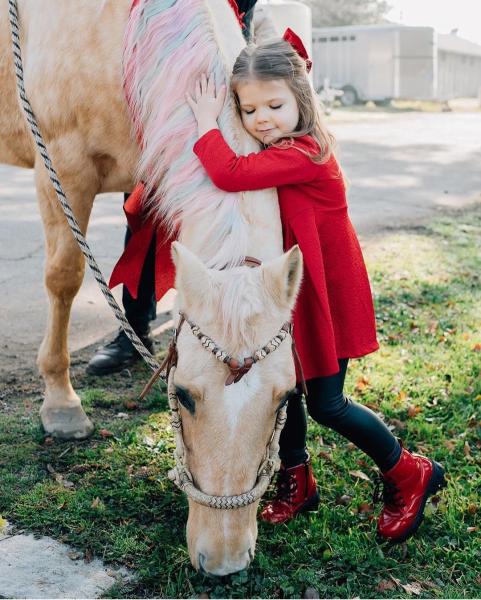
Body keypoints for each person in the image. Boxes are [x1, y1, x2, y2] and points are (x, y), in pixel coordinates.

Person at [185, 34, 446, 543]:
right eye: (248, 108)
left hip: (326, 292)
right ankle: (297, 480)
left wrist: (202, 123)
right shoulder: (283, 145)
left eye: (275, 105)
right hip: (299, 290)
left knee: (327, 402)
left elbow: (230, 173)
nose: (261, 118)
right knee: (291, 392)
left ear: (302, 97)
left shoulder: (306, 152)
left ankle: (409, 471)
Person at [86, 0, 260, 376]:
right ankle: (134, 331)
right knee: (149, 212)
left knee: (233, 214)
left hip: (227, 68)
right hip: (164, 73)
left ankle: (227, 330)